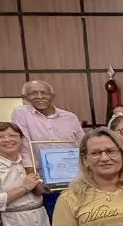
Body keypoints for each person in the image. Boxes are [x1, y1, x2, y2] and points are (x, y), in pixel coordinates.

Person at [11, 80, 85, 217]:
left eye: (44, 93)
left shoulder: (69, 117)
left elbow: (83, 146)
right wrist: (35, 181)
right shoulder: (21, 114)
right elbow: (25, 148)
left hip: (75, 180)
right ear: (26, 97)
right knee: (55, 220)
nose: (39, 96)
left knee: (81, 218)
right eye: (33, 93)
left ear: (52, 95)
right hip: (45, 182)